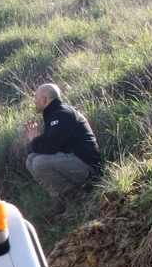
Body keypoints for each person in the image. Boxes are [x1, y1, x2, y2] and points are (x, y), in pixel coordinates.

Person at [23, 83, 101, 214]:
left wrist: (35, 139)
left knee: (39, 162)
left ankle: (74, 197)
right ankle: (62, 197)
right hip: (73, 162)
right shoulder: (54, 114)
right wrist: (38, 139)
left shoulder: (62, 114)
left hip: (86, 167)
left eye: (36, 98)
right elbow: (51, 145)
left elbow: (49, 148)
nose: (34, 101)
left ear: (44, 100)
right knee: (31, 160)